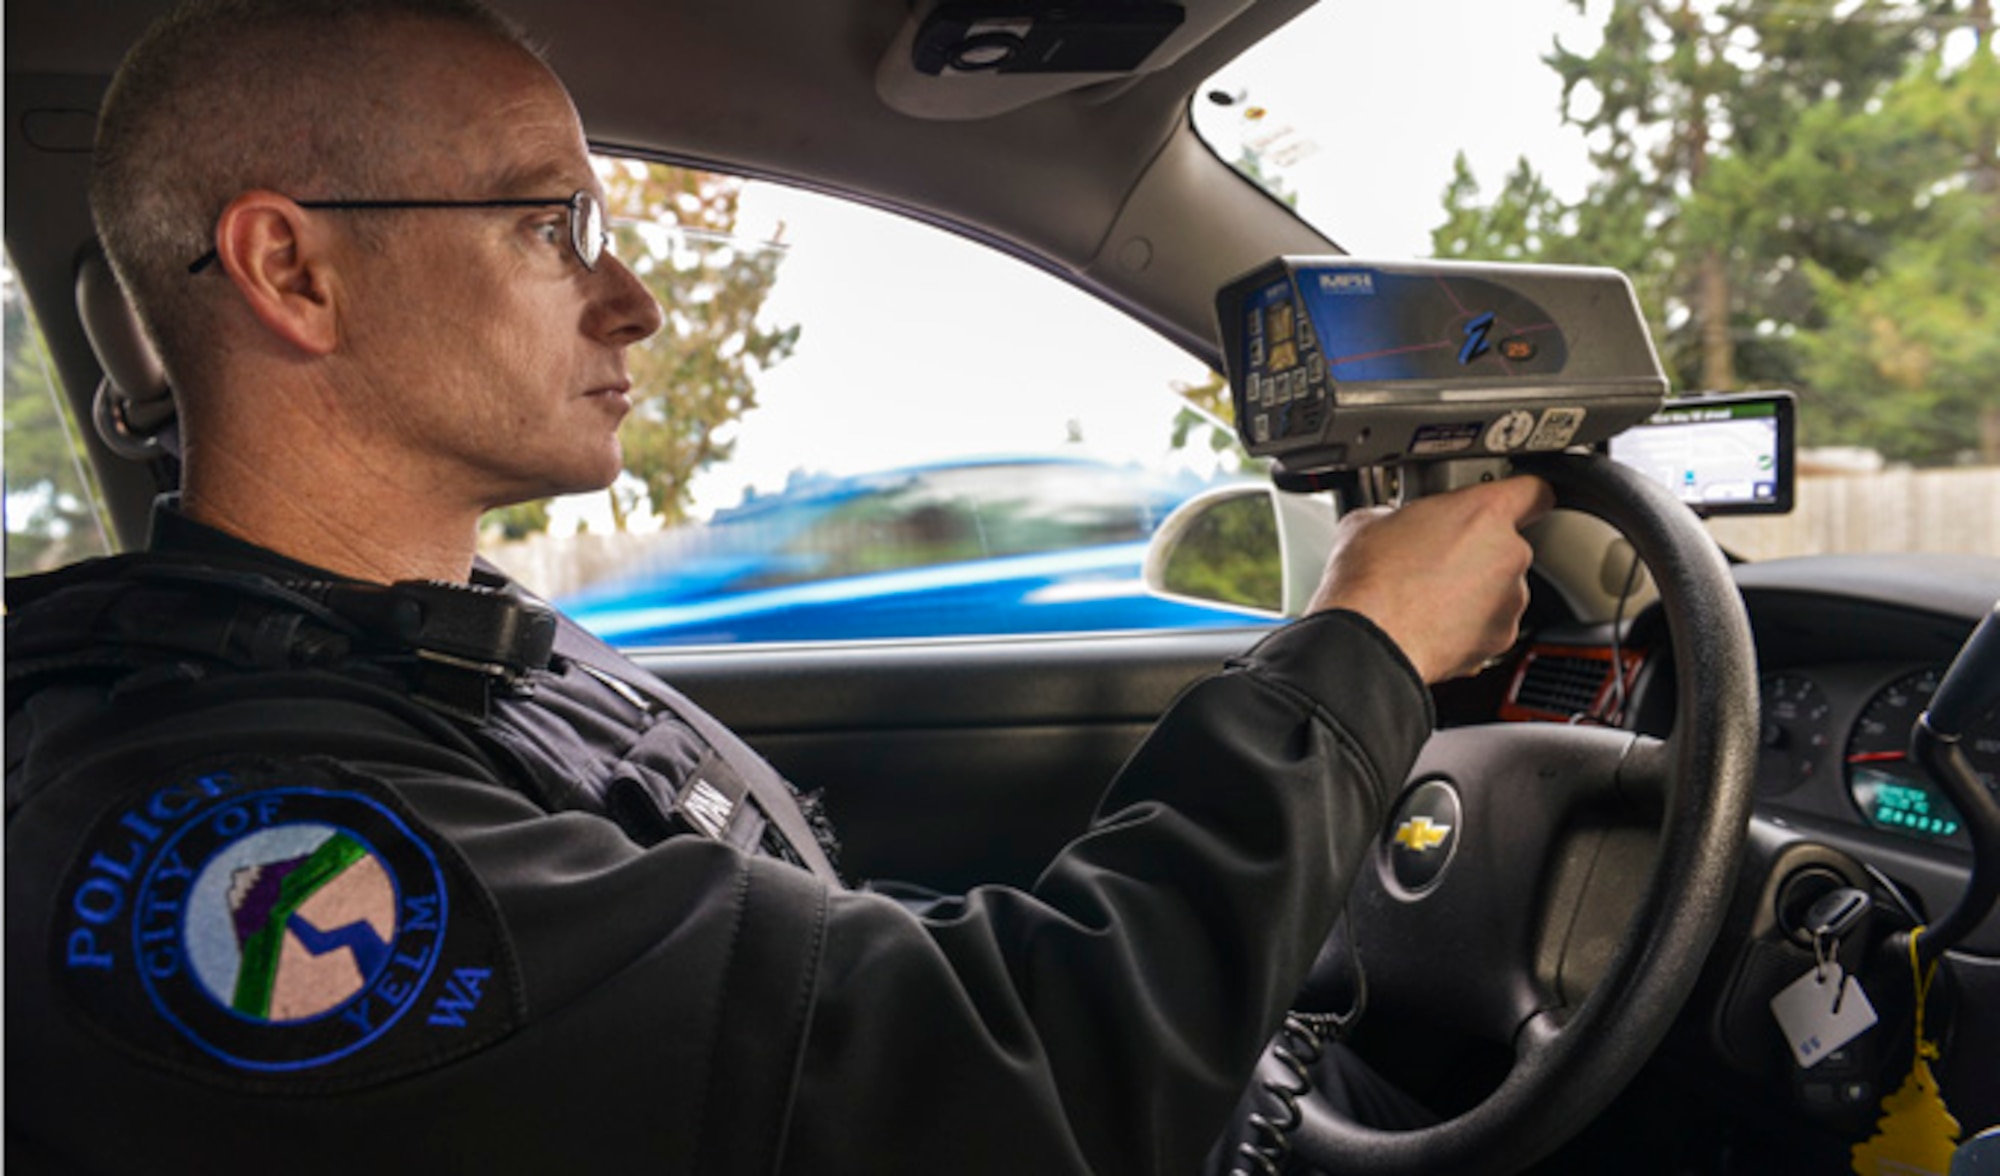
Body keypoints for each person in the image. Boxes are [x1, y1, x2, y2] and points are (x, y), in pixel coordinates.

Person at [3, 1, 1554, 1172]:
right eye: (554, 225)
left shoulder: (434, 659)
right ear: (292, 272)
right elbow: (1000, 1099)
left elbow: (816, 986)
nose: (636, 299)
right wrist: (1363, 649)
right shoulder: (242, 834)